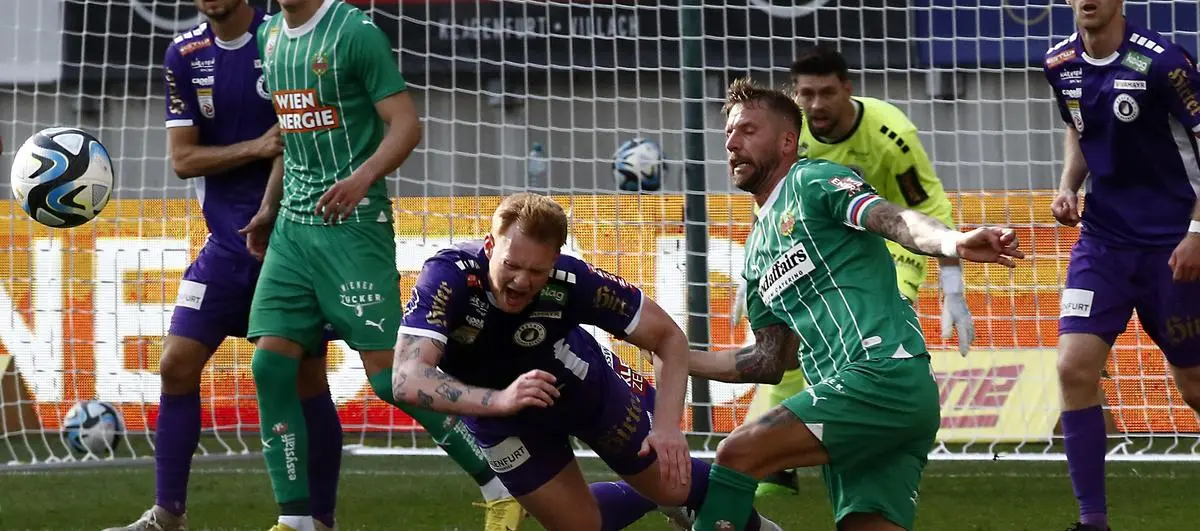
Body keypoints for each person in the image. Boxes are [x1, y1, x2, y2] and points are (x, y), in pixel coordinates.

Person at [236, 0, 523, 531]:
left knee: (394, 379)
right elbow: (291, 134)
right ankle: (296, 520)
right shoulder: (269, 36)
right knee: (270, 365)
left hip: (353, 228)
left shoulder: (354, 33)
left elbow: (406, 125)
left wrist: (361, 178)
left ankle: (501, 484)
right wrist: (268, 207)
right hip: (292, 232)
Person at [687, 78, 1022, 531]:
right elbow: (768, 360)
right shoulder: (756, 251)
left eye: (747, 130)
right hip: (856, 399)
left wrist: (951, 242)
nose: (731, 143)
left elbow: (891, 217)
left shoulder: (813, 180)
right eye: (729, 132)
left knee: (736, 453)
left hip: (880, 377)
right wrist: (680, 356)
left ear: (787, 141)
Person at [101, 0, 344, 531]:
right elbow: (184, 160)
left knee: (306, 381)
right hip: (225, 249)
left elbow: (298, 140)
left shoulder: (281, 41)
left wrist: (271, 189)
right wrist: (255, 146)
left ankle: (320, 519)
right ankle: (168, 514)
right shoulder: (184, 56)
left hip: (290, 245)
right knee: (175, 364)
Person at [392, 193, 782, 531]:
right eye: (511, 265)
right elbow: (406, 380)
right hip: (500, 416)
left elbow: (668, 337)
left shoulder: (573, 279)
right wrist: (501, 400)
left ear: (555, 259)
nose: (522, 281)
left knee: (671, 483)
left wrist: (667, 427)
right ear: (490, 245)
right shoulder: (448, 277)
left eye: (537, 271)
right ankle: (658, 497)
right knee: (579, 526)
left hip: (584, 388)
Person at [731, 43, 970, 498]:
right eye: (806, 94)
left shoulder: (890, 132)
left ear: (847, 89)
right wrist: (757, 270)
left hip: (892, 238)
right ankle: (786, 458)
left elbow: (925, 204)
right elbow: (773, 200)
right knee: (801, 335)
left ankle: (880, 431)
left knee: (873, 323)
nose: (816, 104)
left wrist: (951, 280)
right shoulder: (792, 134)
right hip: (821, 243)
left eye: (826, 93)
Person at [1045, 0, 1200, 531]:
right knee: (1072, 368)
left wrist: (1197, 232)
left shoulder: (1165, 63)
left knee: (1194, 386)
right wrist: (1068, 185)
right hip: (1103, 244)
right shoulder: (1059, 64)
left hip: (1173, 248)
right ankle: (1093, 522)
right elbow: (1080, 127)